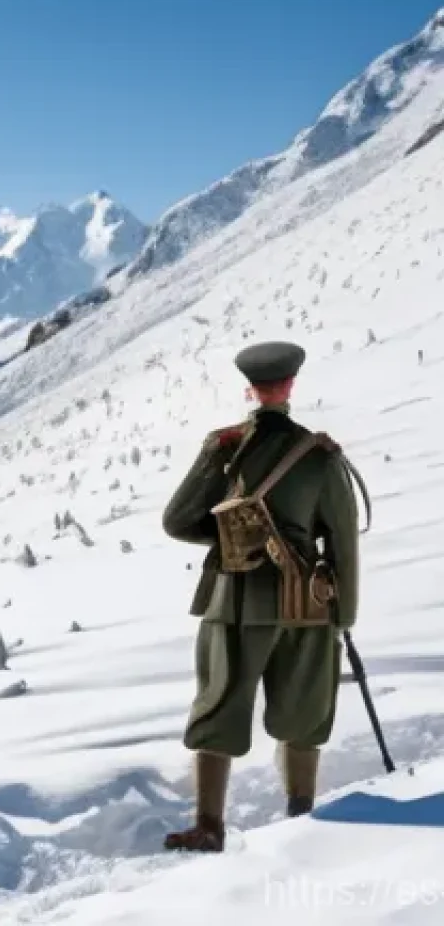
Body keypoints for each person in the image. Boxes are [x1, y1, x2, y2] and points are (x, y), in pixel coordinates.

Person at [160, 341, 360, 853]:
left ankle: (209, 825)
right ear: (291, 386)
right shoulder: (320, 455)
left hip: (234, 599)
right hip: (309, 605)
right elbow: (342, 540)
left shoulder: (224, 447)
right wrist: (344, 616)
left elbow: (178, 520)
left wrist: (233, 534)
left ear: (250, 389)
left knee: (218, 707)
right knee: (304, 710)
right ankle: (301, 815)